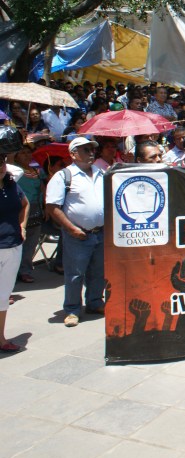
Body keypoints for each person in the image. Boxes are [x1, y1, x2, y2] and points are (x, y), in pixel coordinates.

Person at [45, 137, 105, 328]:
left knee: (98, 271)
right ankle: (72, 309)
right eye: (85, 150)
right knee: (74, 273)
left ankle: (95, 302)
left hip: (100, 232)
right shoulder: (64, 176)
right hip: (77, 234)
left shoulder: (101, 173)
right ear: (73, 154)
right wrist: (71, 228)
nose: (91, 153)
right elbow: (52, 206)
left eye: (92, 149)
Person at [0, 126, 28, 351]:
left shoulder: (12, 185)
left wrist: (22, 226)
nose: (0, 167)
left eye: (1, 163)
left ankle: (1, 338)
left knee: (2, 296)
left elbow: (25, 204)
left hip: (12, 245)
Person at [12, 141, 43, 283]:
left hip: (36, 210)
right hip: (19, 210)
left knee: (31, 242)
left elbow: (41, 190)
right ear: (16, 156)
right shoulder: (14, 172)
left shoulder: (36, 171)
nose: (26, 155)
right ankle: (13, 271)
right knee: (17, 243)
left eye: (28, 152)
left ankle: (25, 270)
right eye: (23, 152)